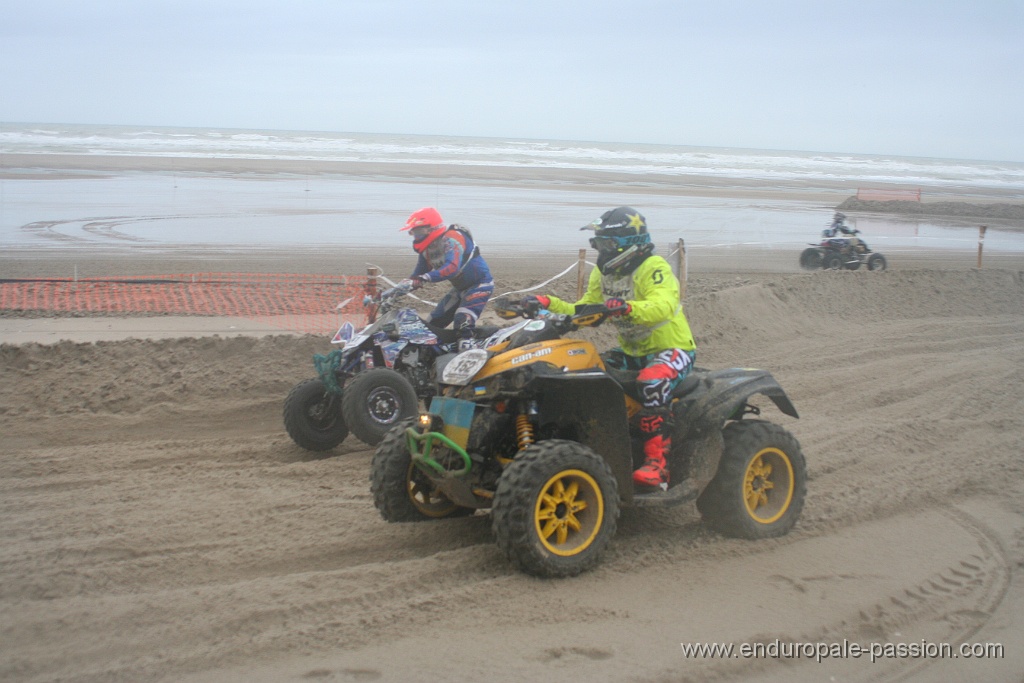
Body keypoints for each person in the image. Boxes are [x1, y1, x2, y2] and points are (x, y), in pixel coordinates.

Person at [522, 207, 696, 491]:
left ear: (627, 243)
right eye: (597, 243)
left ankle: (658, 466)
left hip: (673, 349)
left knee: (652, 382)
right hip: (631, 353)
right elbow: (583, 309)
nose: (600, 249)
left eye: (606, 243)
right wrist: (546, 303)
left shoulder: (654, 267)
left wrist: (627, 307)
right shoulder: (604, 274)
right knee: (586, 375)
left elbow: (663, 305)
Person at [398, 207, 494, 349]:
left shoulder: (452, 238)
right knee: (431, 325)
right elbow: (417, 276)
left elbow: (451, 267)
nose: (416, 237)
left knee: (462, 324)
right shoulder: (428, 250)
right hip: (459, 289)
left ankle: (468, 352)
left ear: (432, 228)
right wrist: (395, 292)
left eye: (418, 232)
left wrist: (425, 277)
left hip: (480, 284)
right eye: (414, 233)